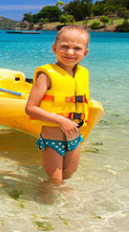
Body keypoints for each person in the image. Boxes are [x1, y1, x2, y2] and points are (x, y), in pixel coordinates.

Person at [24, 25, 92, 185]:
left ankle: (60, 206)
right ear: (55, 48)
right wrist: (62, 121)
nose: (70, 52)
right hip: (52, 137)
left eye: (77, 48)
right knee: (55, 180)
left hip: (74, 135)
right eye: (65, 47)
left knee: (69, 173)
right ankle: (43, 203)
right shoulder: (46, 75)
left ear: (85, 53)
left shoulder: (83, 73)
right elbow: (30, 108)